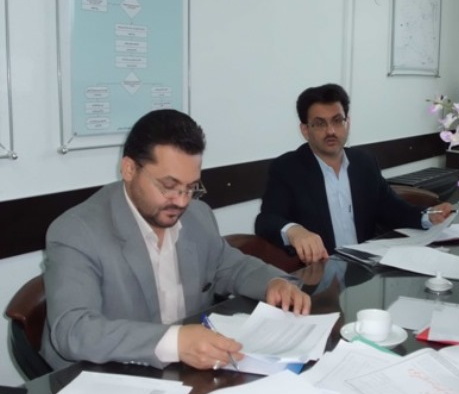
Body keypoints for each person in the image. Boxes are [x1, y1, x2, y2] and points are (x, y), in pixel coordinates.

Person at [42, 109, 311, 371]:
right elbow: (74, 330)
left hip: (187, 371)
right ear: (129, 169)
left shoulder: (197, 215)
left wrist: (274, 283)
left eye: (191, 187)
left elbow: (230, 266)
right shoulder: (76, 232)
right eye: (169, 187)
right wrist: (175, 342)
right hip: (106, 374)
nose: (182, 201)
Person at [255, 83, 453, 265]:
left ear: (347, 122)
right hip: (322, 272)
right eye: (320, 123)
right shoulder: (288, 168)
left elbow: (392, 208)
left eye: (337, 121)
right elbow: (266, 220)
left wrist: (428, 216)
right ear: (305, 130)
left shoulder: (364, 162)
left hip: (364, 268)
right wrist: (294, 230)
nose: (331, 131)